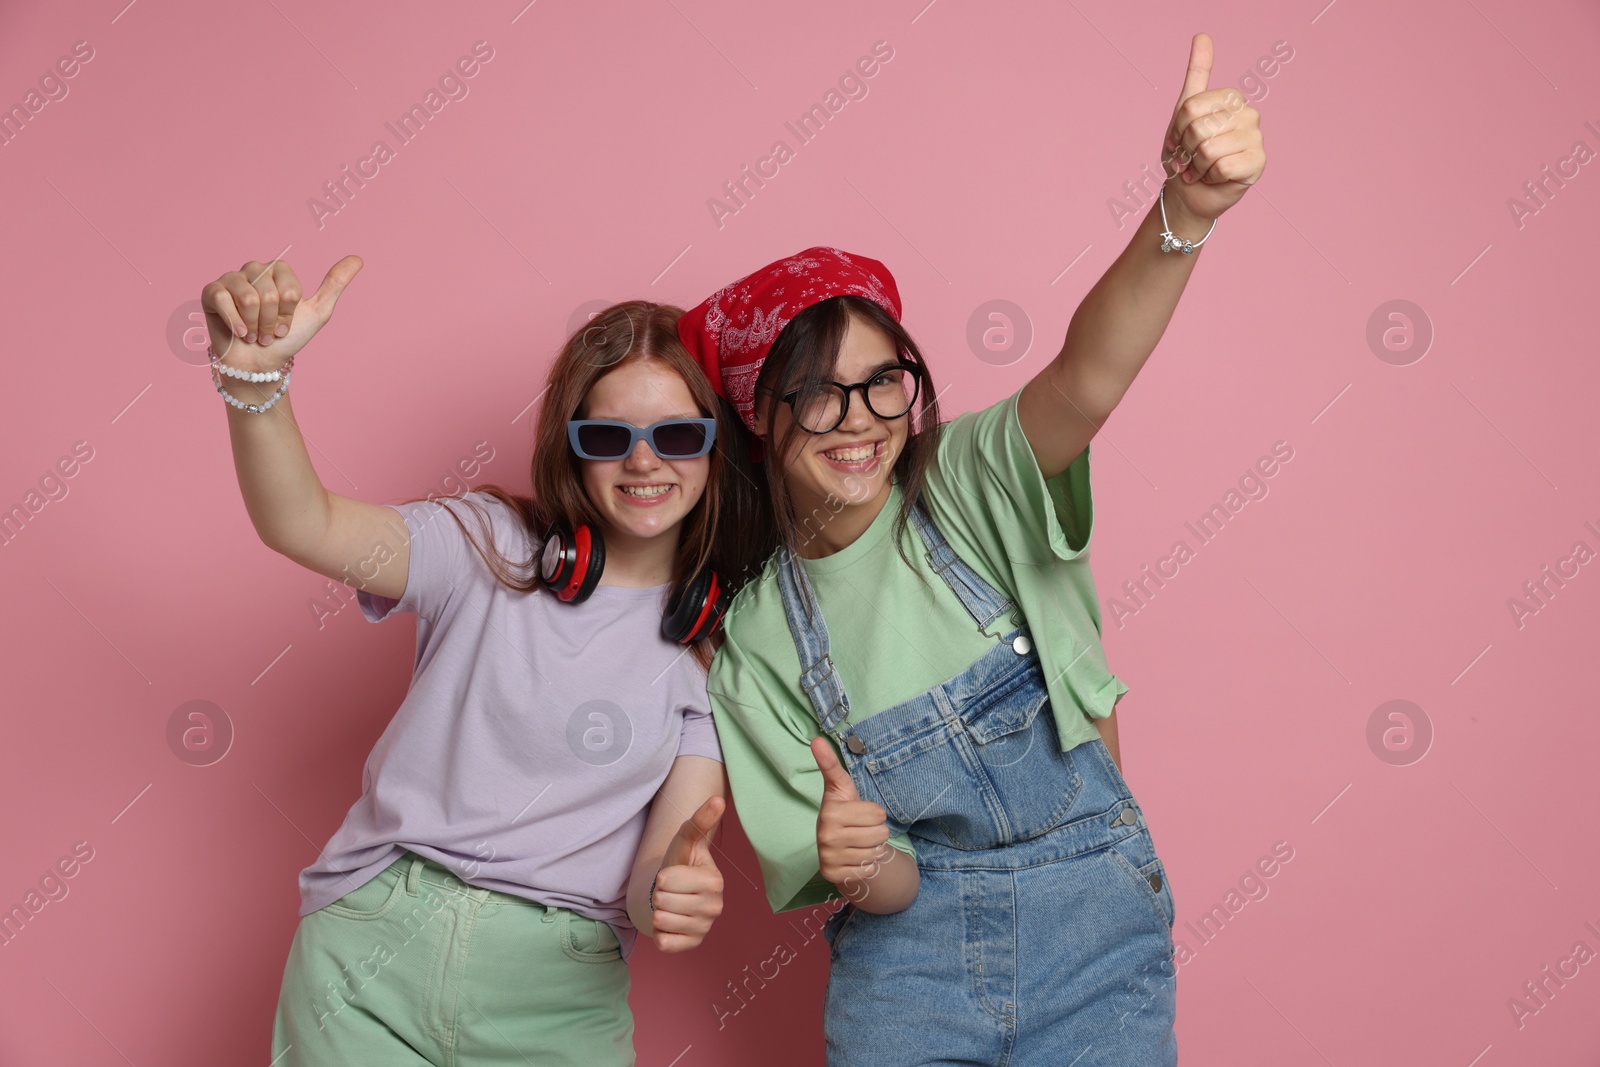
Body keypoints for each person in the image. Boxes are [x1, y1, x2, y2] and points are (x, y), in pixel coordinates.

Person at [677, 33, 1265, 1066]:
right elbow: (889, 883)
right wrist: (858, 861)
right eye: (816, 391)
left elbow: (1085, 377)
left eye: (882, 380)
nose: (858, 418)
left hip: (1095, 923)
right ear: (757, 417)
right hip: (910, 966)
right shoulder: (756, 635)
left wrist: (1185, 212)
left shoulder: (967, 478)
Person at [199, 254, 764, 1066]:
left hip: (558, 996)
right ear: (574, 448)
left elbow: (655, 872)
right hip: (368, 960)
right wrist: (256, 387)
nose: (645, 462)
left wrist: (674, 887)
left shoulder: (713, 648)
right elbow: (306, 524)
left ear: (716, 448)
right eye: (609, 436)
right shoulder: (485, 546)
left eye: (678, 434)